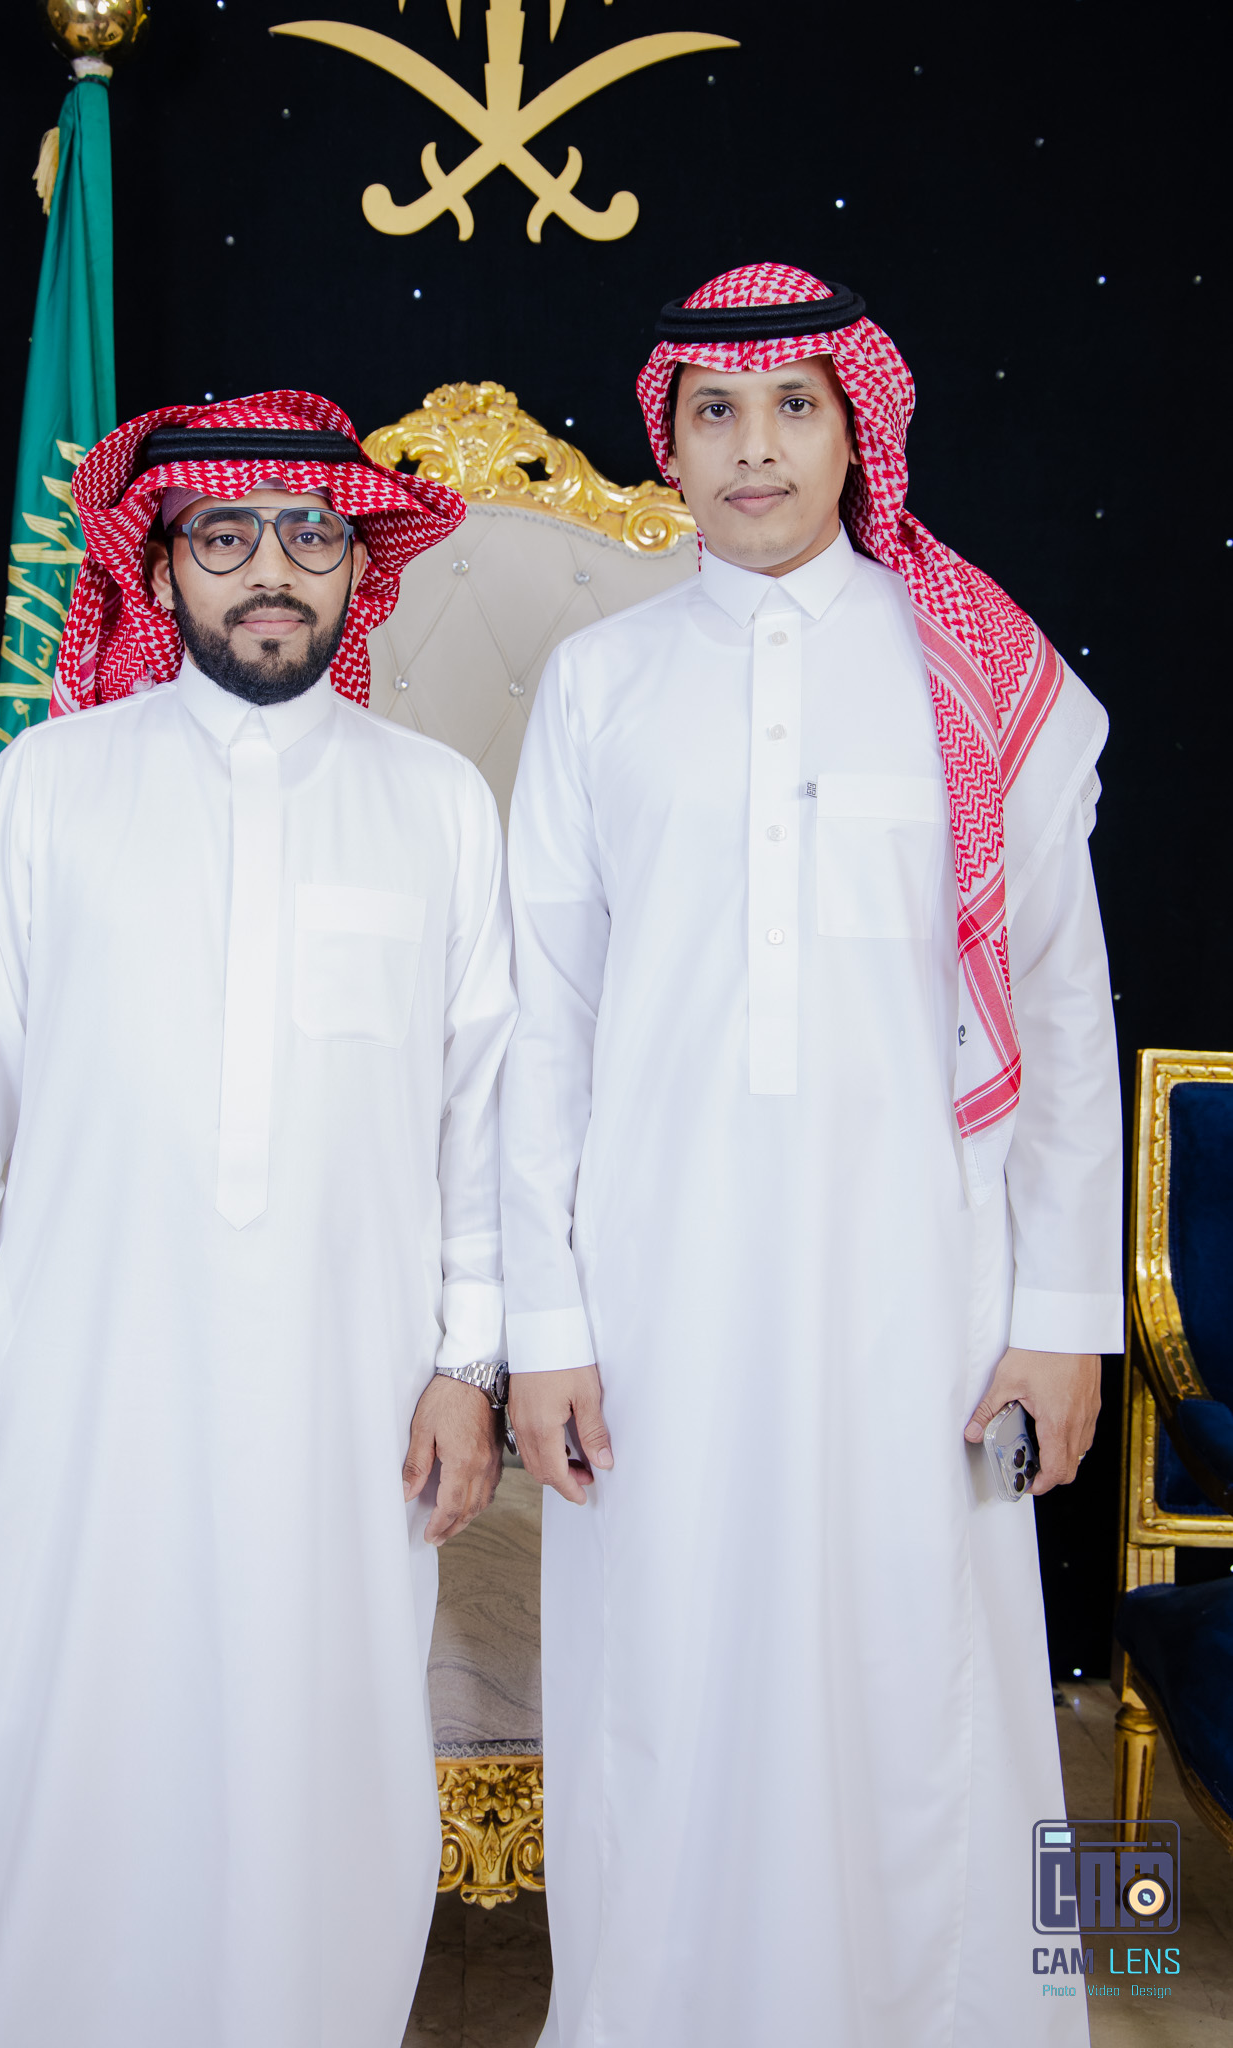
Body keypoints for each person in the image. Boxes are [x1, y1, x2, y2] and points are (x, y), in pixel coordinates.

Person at [499, 266, 1121, 2046]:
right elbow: (541, 1025)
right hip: (654, 1289)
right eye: (714, 411)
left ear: (860, 433)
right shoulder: (599, 684)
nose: (753, 448)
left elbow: (1059, 1012)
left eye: (793, 407)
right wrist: (544, 1326)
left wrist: (1062, 1317)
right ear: (668, 444)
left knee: (936, 1675)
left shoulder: (977, 669)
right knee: (660, 1682)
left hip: (925, 1284)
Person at [0, 391, 516, 2047]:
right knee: (45, 1728)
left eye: (308, 536)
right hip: (76, 1379)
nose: (271, 571)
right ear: (157, 570)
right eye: (225, 538)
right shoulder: (52, 784)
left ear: (357, 566)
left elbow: (484, 1119)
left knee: (315, 1743)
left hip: (346, 1393)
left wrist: (469, 1366)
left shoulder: (436, 801)